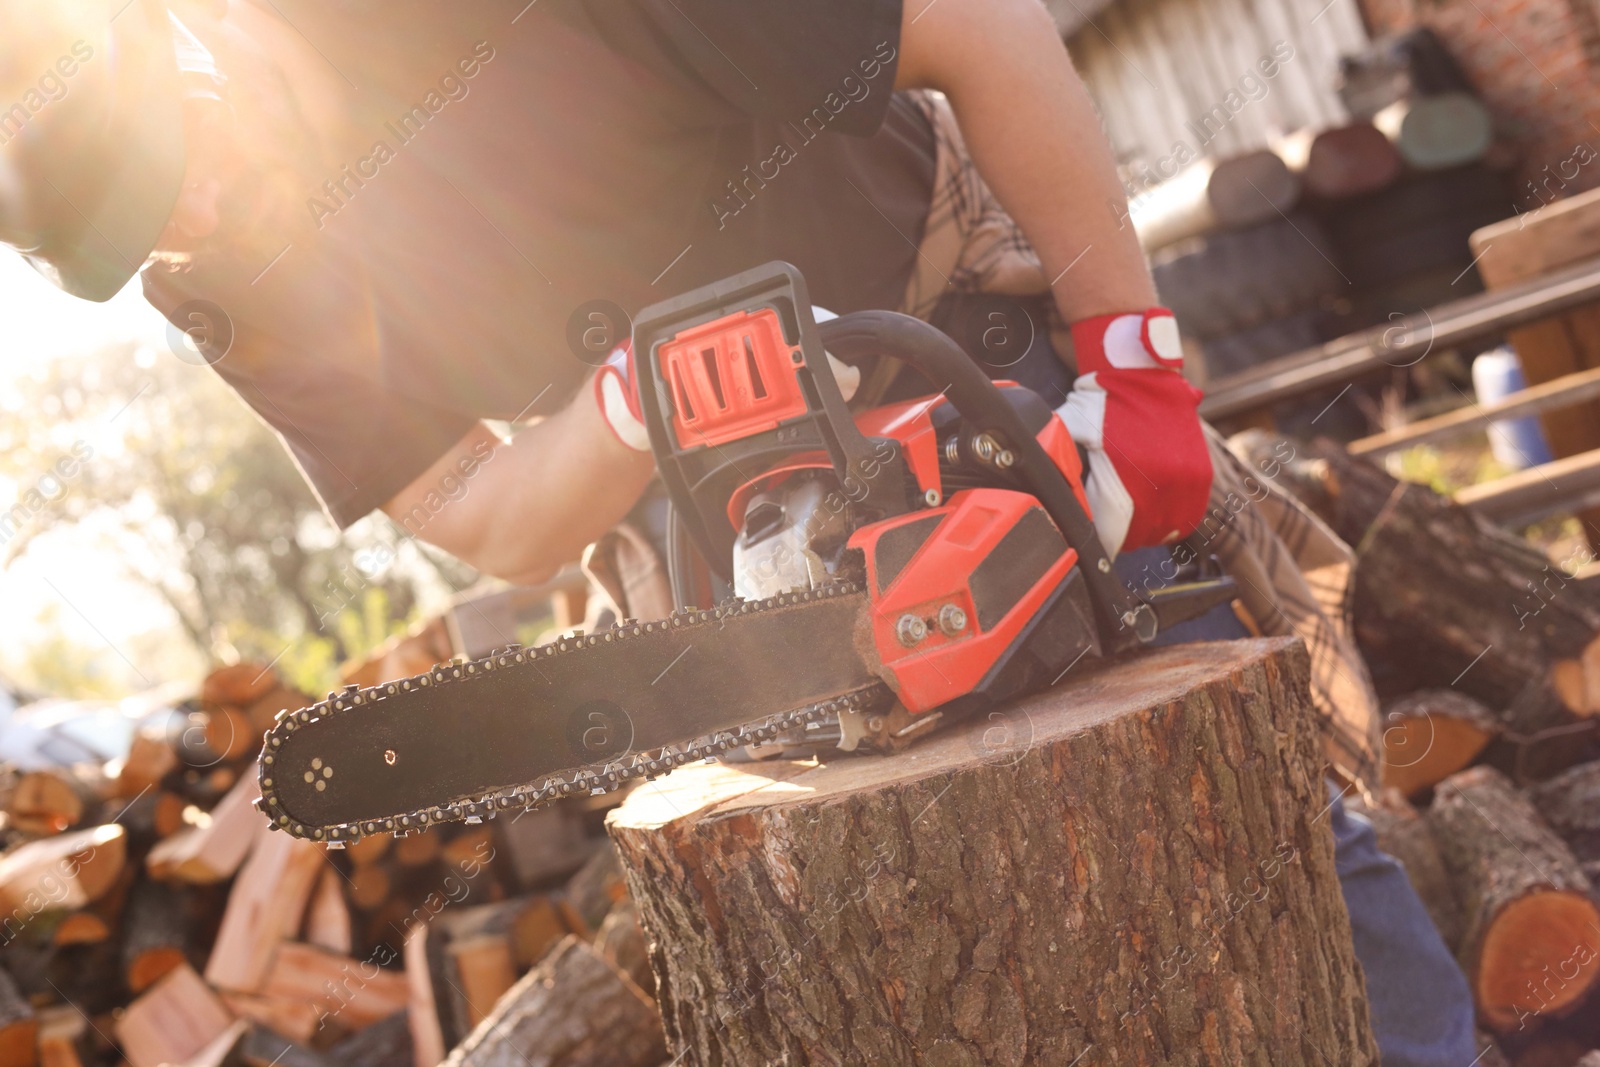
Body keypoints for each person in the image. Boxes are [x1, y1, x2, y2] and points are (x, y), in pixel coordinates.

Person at [3, 1, 1475, 1061]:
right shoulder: (219, 278)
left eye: (177, 164)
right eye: (151, 228)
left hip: (937, 335)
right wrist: (643, 398)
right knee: (887, 923)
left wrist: (1130, 357)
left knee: (1219, 813)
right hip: (699, 510)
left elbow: (982, 27)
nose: (196, 212)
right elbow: (481, 514)